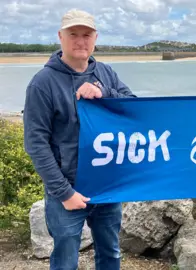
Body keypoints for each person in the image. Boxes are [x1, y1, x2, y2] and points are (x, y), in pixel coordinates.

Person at [23, 9, 136, 270]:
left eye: (86, 35)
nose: (80, 41)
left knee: (111, 254)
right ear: (60, 37)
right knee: (65, 260)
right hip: (67, 190)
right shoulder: (42, 83)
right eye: (73, 34)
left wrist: (102, 91)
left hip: (107, 186)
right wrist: (64, 193)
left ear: (95, 38)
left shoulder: (106, 73)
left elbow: (133, 107)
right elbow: (36, 143)